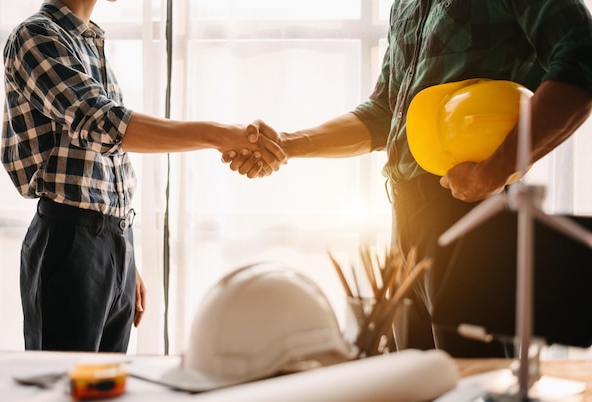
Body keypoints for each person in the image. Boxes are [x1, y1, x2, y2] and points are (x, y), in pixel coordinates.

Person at [224, 0, 592, 357]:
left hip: (471, 218)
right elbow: (385, 112)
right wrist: (288, 144)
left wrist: (495, 170)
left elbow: (582, 53)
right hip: (405, 223)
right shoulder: (406, 5)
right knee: (415, 382)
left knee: (473, 383)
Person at [1, 0, 285, 352]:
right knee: (67, 387)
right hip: (69, 241)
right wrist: (220, 135)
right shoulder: (36, 36)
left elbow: (104, 165)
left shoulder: (88, 41)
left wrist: (123, 258)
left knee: (106, 386)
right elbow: (105, 124)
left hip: (110, 241)